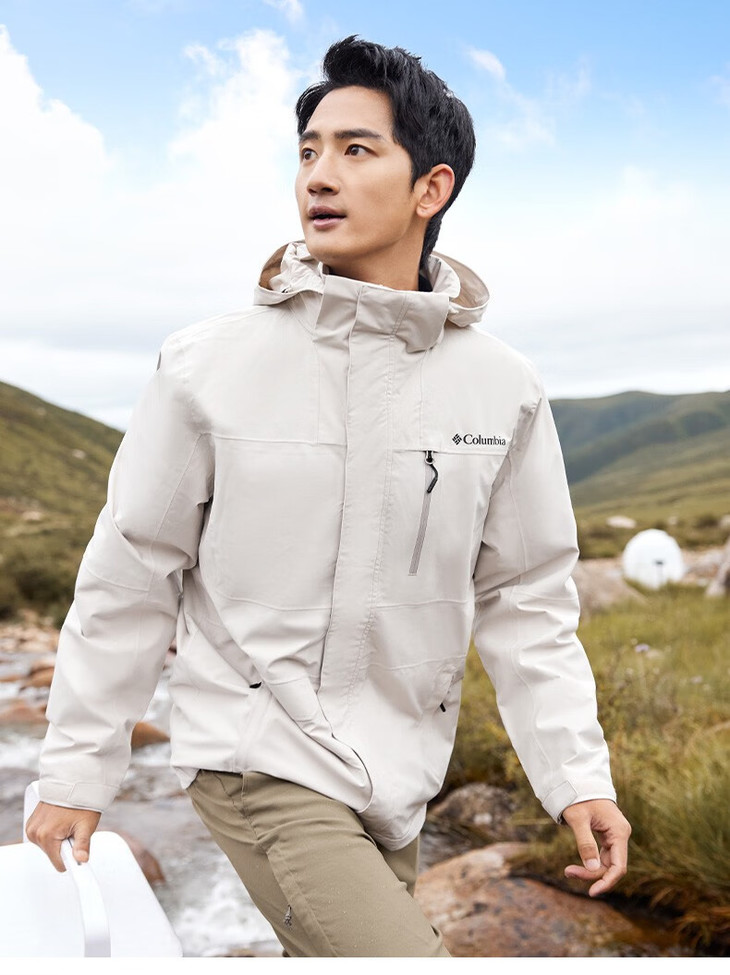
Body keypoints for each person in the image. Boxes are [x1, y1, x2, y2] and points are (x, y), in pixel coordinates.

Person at [26, 36, 631, 957]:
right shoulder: (206, 366)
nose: (319, 174)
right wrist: (77, 768)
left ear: (430, 188)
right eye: (308, 150)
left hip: (400, 774)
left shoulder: (503, 388)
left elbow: (526, 600)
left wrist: (576, 775)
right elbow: (131, 576)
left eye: (356, 149)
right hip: (255, 752)